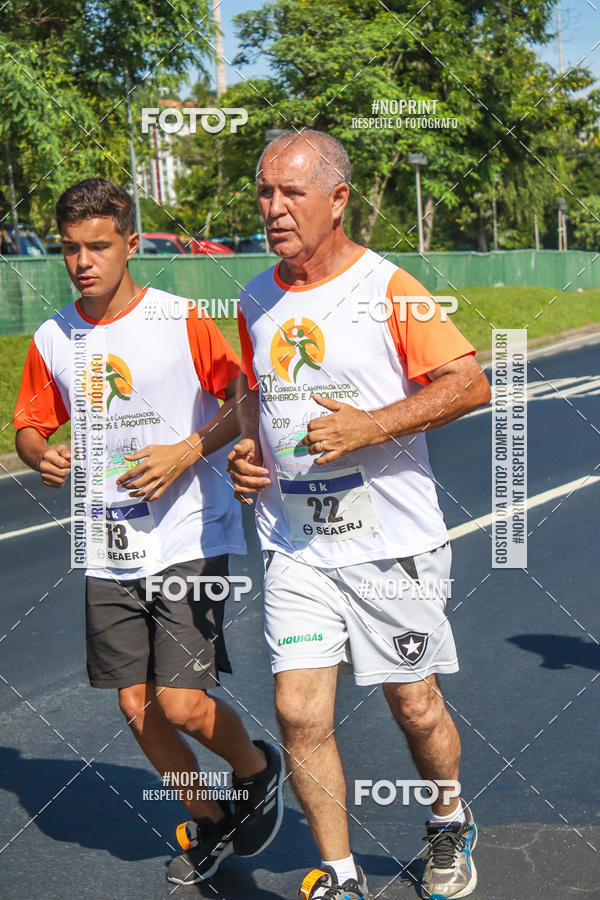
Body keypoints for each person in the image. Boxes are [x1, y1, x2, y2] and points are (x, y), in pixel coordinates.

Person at [227, 131, 491, 900]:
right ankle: (340, 877)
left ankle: (447, 818)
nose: (274, 209)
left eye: (292, 193)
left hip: (390, 543)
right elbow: (255, 398)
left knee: (413, 703)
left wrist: (373, 426)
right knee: (296, 708)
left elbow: (468, 384)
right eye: (265, 193)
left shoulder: (390, 286)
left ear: (337, 199)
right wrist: (248, 452)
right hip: (294, 544)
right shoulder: (253, 297)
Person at [12, 177, 283, 887]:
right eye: (70, 249)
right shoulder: (54, 337)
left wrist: (187, 451)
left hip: (190, 532)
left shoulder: (179, 319)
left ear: (131, 245)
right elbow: (29, 427)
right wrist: (45, 454)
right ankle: (216, 822)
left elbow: (242, 395)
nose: (82, 261)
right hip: (108, 544)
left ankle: (257, 770)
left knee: (181, 701)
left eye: (98, 246)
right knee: (136, 705)